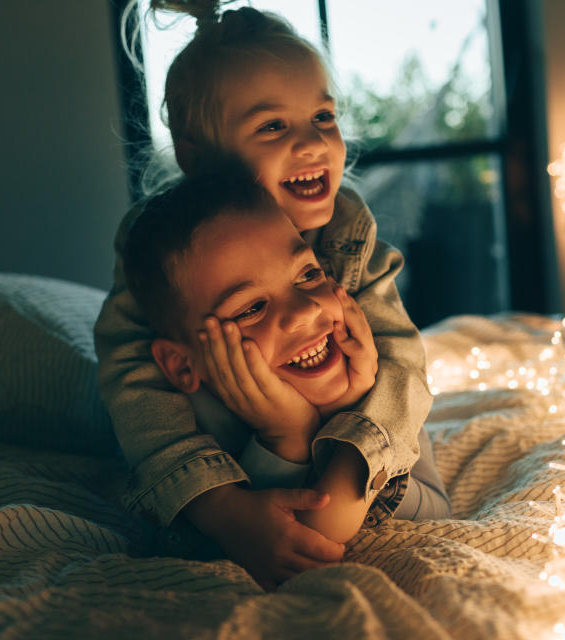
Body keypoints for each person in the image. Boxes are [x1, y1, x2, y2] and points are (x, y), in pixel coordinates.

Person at [94, 2, 449, 589]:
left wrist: (345, 475)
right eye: (273, 126)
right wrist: (223, 512)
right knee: (191, 363)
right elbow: (134, 385)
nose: (313, 142)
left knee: (392, 388)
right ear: (197, 160)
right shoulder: (159, 250)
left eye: (323, 117)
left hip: (360, 445)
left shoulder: (350, 238)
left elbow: (402, 365)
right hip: (240, 453)